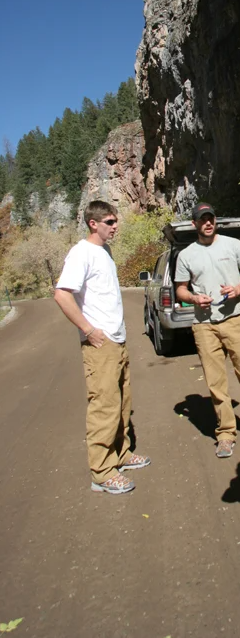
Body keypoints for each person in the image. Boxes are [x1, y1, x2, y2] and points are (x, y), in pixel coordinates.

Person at [54, 200, 150, 495]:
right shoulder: (81, 253)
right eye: (110, 222)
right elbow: (61, 294)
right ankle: (102, 472)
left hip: (116, 340)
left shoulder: (105, 252)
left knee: (121, 403)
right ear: (93, 223)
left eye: (115, 221)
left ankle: (121, 454)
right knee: (104, 408)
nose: (115, 226)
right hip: (100, 344)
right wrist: (88, 330)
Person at [174, 202, 240, 458]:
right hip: (204, 326)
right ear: (195, 224)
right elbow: (180, 289)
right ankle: (225, 434)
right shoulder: (186, 255)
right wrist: (193, 298)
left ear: (215, 221)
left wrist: (238, 290)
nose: (208, 223)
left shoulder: (233, 245)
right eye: (203, 219)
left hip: (235, 320)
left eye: (211, 218)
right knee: (216, 384)